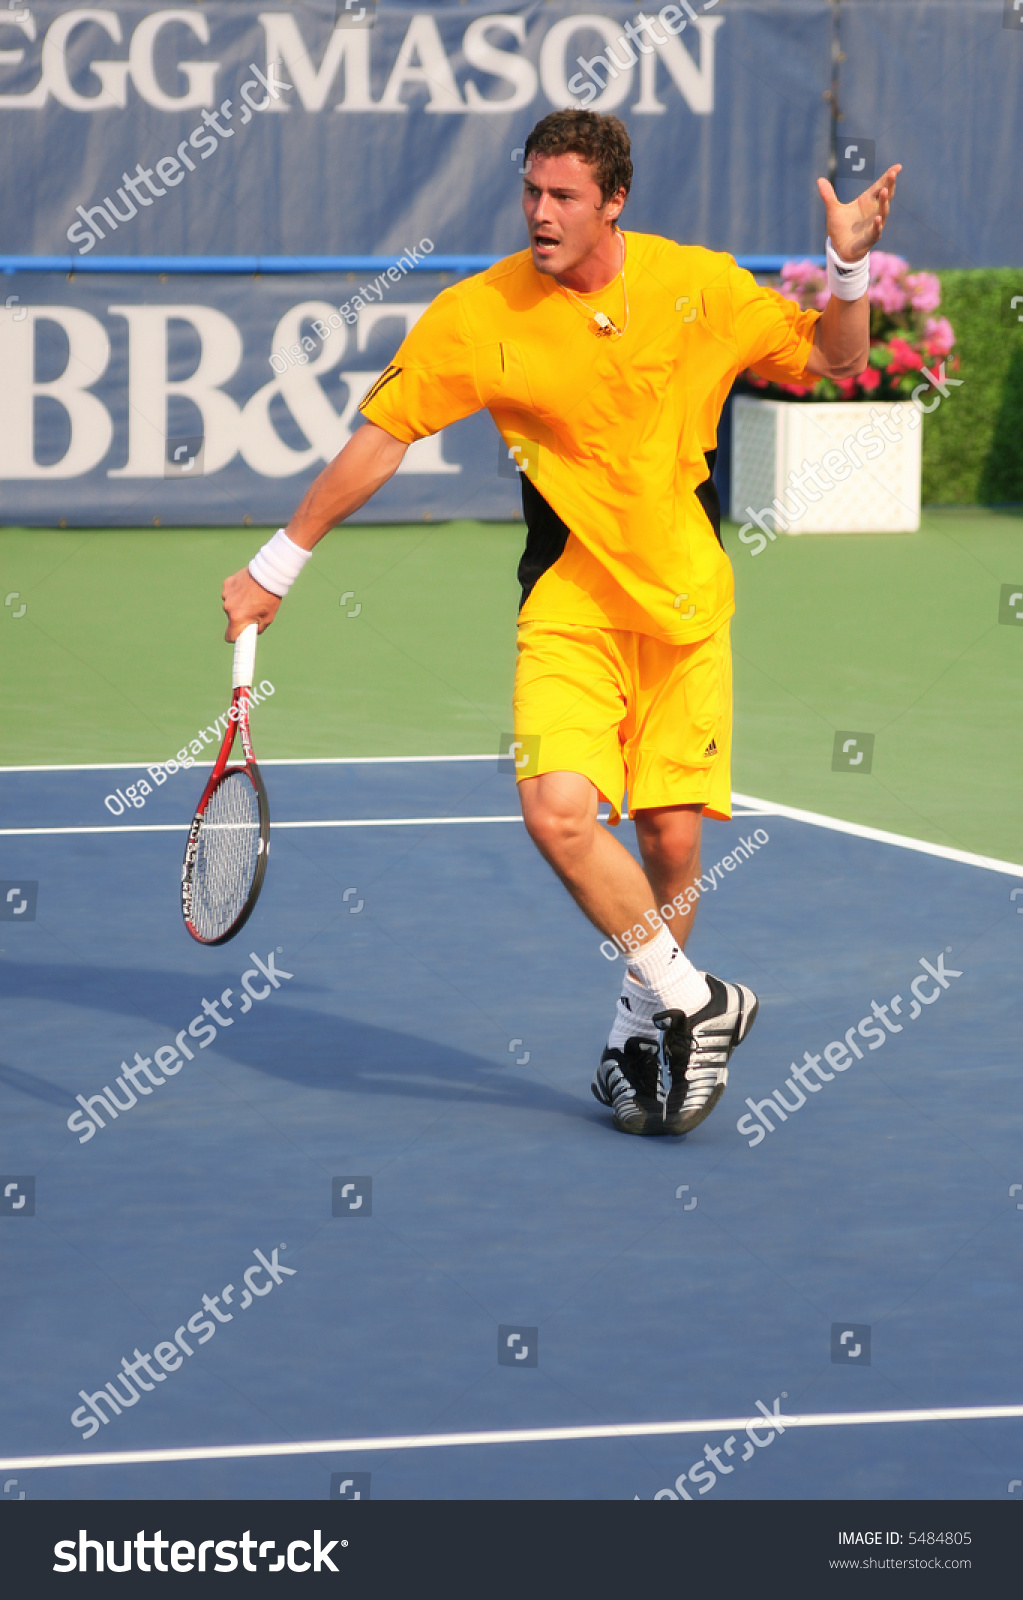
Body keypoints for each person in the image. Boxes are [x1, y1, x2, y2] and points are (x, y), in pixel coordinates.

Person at [222, 110, 900, 1139]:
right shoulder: (479, 313)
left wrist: (849, 271)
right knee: (559, 815)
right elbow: (379, 440)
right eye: (532, 191)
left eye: (565, 195)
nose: (541, 212)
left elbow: (838, 362)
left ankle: (642, 1032)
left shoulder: (697, 285)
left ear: (613, 200)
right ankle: (696, 999)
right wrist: (281, 560)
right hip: (570, 606)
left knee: (672, 840)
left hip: (686, 608)